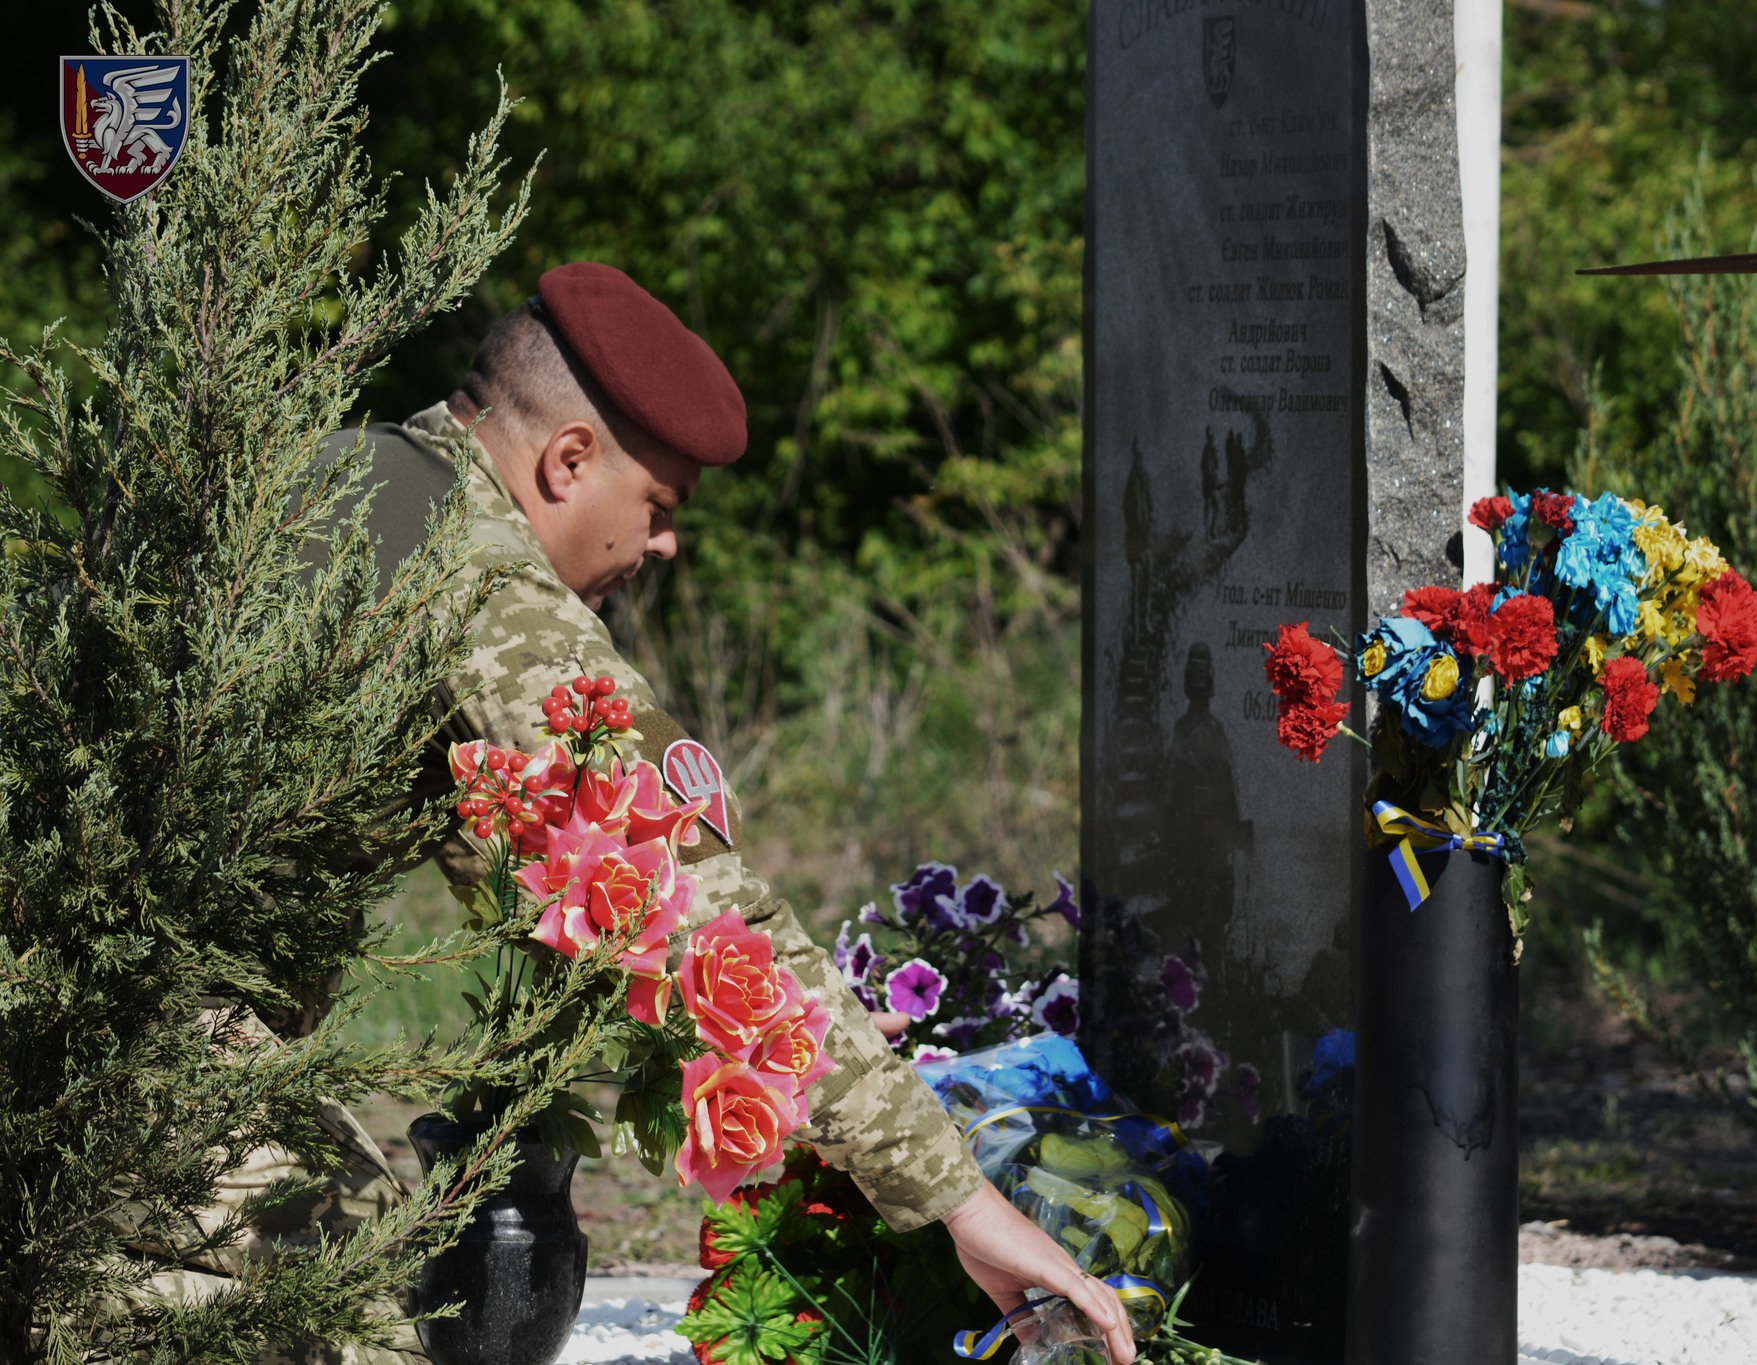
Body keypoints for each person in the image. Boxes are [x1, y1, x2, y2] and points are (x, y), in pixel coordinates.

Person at [301, 261, 1135, 1363]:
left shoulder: (355, 478)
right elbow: (679, 892)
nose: (664, 547)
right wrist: (959, 1202)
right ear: (566, 461)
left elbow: (562, 888)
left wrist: (803, 1037)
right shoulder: (475, 573)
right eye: (657, 507)